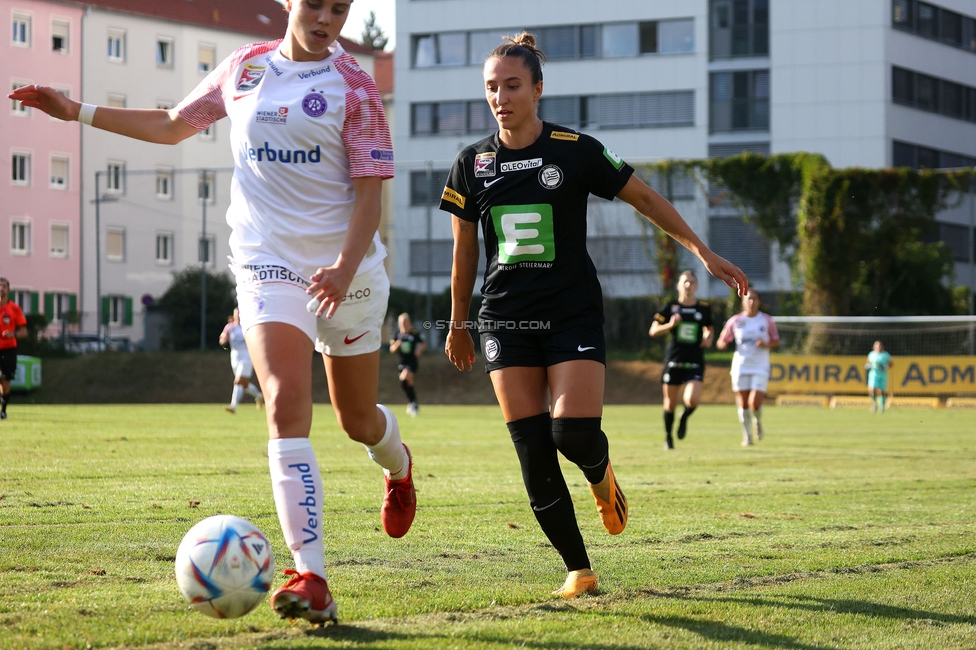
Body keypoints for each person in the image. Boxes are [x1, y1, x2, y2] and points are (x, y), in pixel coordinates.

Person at [10, 0, 416, 627]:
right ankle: (314, 577)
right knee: (283, 401)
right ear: (288, 2)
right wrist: (76, 111)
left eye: (341, 8)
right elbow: (173, 124)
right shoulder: (244, 67)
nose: (327, 18)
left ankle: (399, 466)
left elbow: (370, 195)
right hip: (266, 264)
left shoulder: (356, 88)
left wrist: (341, 266)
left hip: (349, 271)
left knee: (358, 420)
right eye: (316, 4)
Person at [441, 33, 748, 599]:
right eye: (490, 87)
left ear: (537, 88)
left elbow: (646, 199)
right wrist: (459, 321)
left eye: (512, 85)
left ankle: (601, 475)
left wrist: (702, 250)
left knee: (572, 433)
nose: (500, 97)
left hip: (571, 314)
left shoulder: (575, 148)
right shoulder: (471, 163)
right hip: (503, 319)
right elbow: (464, 252)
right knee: (532, 448)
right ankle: (579, 569)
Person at [649, 270, 713, 450]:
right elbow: (653, 331)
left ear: (696, 286)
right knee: (669, 403)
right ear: (678, 285)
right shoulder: (670, 307)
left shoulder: (704, 308)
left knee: (692, 400)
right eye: (685, 281)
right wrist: (671, 324)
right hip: (674, 360)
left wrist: (708, 338)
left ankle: (684, 417)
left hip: (695, 361)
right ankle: (668, 438)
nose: (688, 285)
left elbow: (709, 327)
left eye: (692, 282)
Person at [716, 289, 779, 446]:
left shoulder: (767, 320)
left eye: (754, 299)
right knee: (743, 404)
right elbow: (722, 339)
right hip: (741, 366)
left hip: (760, 366)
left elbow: (776, 340)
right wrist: (722, 344)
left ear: (759, 302)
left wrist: (766, 344)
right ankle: (747, 436)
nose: (751, 302)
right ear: (743, 302)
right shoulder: (735, 321)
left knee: (755, 402)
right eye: (748, 299)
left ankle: (758, 421)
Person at [219, 308, 264, 413]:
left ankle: (233, 406)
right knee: (244, 384)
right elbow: (222, 340)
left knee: (238, 381)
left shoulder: (248, 326)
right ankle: (259, 395)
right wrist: (223, 339)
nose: (238, 316)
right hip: (235, 357)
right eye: (236, 314)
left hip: (247, 357)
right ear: (234, 316)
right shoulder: (230, 327)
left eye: (240, 314)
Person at [0, 278, 28, 420]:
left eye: (4, 286)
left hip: (8, 349)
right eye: (0, 286)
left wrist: (13, 334)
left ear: (8, 290)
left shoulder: (14, 308)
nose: (1, 288)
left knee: (5, 382)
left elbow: (24, 331)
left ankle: (3, 411)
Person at [389, 313, 426, 416]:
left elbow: (423, 344)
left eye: (406, 322)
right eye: (402, 322)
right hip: (402, 362)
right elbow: (392, 349)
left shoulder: (414, 334)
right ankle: (413, 403)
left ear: (409, 323)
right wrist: (397, 344)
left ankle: (413, 404)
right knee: (406, 383)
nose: (404, 324)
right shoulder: (397, 335)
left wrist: (418, 351)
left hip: (412, 362)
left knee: (405, 377)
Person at [865, 340, 892, 413]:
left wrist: (885, 366)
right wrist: (868, 366)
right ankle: (874, 404)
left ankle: (882, 407)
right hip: (873, 375)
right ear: (874, 347)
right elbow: (868, 362)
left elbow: (891, 364)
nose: (878, 347)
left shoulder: (885, 355)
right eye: (877, 345)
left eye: (880, 345)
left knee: (881, 391)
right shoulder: (871, 354)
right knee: (872, 390)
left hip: (882, 375)